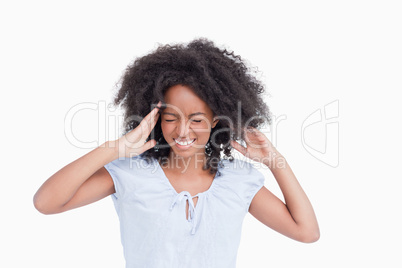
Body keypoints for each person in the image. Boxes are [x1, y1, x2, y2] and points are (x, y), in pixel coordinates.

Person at [33, 38, 320, 267]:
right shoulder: (130, 173)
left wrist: (275, 162)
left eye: (196, 119)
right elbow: (46, 202)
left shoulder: (237, 181)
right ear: (155, 118)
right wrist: (115, 149)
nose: (183, 131)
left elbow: (306, 232)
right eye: (171, 118)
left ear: (216, 122)